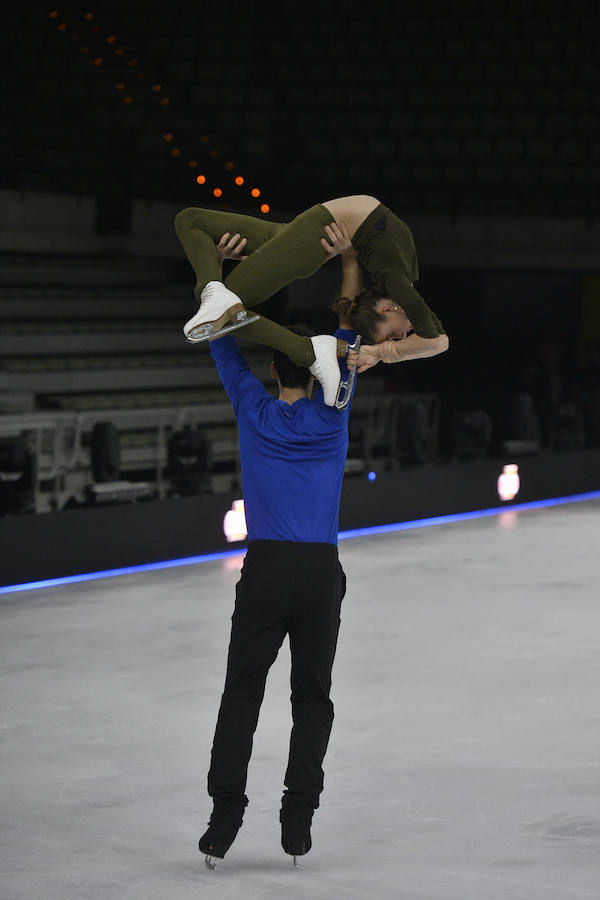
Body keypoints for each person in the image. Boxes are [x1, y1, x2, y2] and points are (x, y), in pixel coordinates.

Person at [198, 231, 359, 870]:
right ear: (317, 371)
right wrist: (347, 260)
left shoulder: (252, 408)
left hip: (265, 570)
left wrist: (237, 278)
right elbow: (347, 330)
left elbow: (218, 330)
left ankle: (223, 821)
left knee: (242, 693)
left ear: (273, 370)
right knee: (311, 697)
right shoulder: (336, 412)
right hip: (319, 575)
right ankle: (298, 823)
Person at [174, 195, 449, 403]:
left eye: (393, 338)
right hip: (308, 233)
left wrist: (216, 264)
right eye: (393, 335)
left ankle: (212, 289)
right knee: (191, 224)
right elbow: (437, 342)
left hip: (308, 233)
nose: (403, 335)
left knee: (215, 298)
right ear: (388, 308)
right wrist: (379, 353)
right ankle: (305, 350)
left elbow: (438, 339)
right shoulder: (398, 283)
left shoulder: (397, 279)